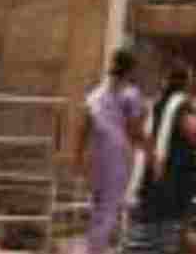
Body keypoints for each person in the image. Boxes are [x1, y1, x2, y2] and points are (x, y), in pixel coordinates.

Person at [132, 62, 196, 254]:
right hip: (175, 174)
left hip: (154, 171)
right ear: (187, 82)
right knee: (171, 228)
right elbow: (193, 133)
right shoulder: (181, 104)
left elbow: (144, 135)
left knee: (158, 227)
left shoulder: (158, 103)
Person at [74, 49, 147, 254]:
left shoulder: (95, 93)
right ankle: (95, 250)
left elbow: (83, 127)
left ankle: (93, 248)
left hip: (96, 153)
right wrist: (149, 149)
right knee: (109, 209)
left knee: (98, 208)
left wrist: (78, 157)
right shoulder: (131, 94)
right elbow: (134, 129)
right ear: (131, 69)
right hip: (118, 155)